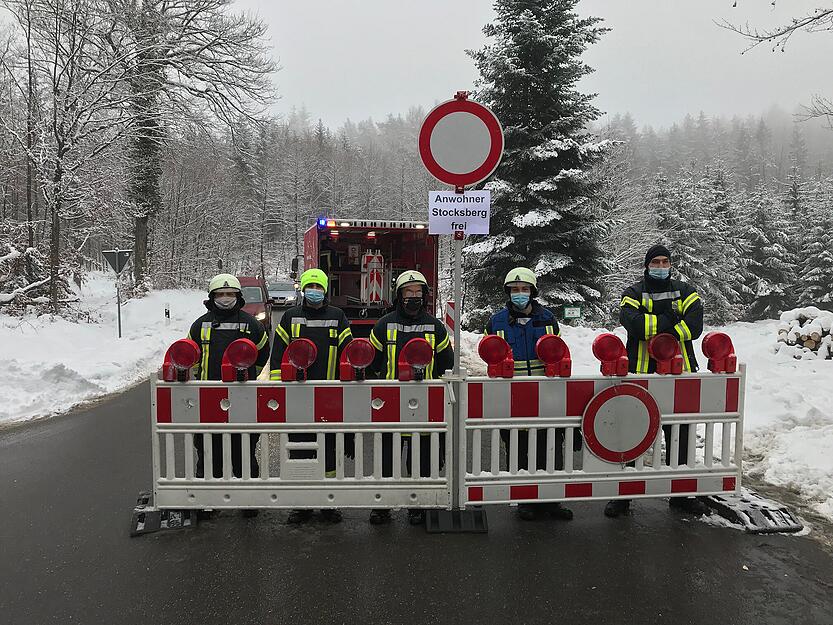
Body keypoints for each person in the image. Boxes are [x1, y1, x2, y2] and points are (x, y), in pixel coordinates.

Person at [604, 244, 708, 518]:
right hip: (640, 372)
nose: (661, 266)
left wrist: (658, 326)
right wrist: (670, 320)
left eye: (665, 261)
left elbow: (694, 327)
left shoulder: (686, 291)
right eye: (656, 262)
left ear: (670, 264)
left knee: (681, 432)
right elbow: (634, 325)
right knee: (632, 431)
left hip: (678, 371)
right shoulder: (633, 293)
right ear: (647, 265)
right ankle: (624, 495)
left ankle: (682, 493)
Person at [485, 267, 574, 522]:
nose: (520, 294)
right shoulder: (496, 322)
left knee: (551, 447)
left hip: (546, 396)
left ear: (533, 292)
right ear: (508, 292)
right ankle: (526, 500)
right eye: (515, 290)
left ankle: (551, 501)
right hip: (512, 397)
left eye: (524, 289)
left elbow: (558, 353)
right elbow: (489, 356)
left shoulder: (548, 320)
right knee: (519, 448)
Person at [366, 270, 454, 526]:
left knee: (423, 459)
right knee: (387, 459)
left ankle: (420, 505)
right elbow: (373, 360)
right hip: (391, 404)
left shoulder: (435, 327)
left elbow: (445, 364)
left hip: (424, 405)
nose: (413, 297)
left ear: (424, 296)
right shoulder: (384, 324)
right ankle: (383, 506)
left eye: (418, 292)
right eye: (408, 292)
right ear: (399, 296)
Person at [270, 268, 353, 524]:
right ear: (303, 290)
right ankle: (302, 503)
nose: (314, 292)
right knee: (301, 448)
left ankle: (329, 502)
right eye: (310, 287)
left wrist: (348, 384)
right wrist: (278, 385)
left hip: (329, 394)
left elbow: (347, 352)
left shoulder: (337, 316)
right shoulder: (291, 317)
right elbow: (278, 352)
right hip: (297, 394)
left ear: (325, 290)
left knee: (329, 449)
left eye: (318, 288)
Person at [187, 273, 270, 517]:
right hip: (209, 396)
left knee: (243, 447)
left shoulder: (251, 324)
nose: (226, 298)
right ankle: (207, 500)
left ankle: (248, 499)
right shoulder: (199, 325)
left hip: (242, 397)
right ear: (212, 297)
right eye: (221, 294)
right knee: (207, 448)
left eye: (230, 294)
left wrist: (248, 376)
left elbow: (263, 352)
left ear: (238, 296)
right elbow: (191, 355)